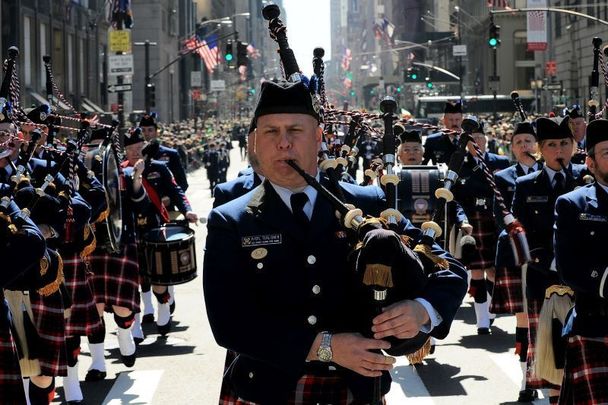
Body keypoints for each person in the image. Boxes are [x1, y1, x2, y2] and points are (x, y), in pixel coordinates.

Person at [203, 79, 468, 404]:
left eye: (295, 131)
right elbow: (229, 323)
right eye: (271, 132)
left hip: (356, 391)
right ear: (256, 143)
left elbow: (448, 269)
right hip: (268, 389)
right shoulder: (231, 220)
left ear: (318, 136)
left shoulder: (368, 203)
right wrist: (324, 347)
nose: (283, 143)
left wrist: (421, 310)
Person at [512, 116, 587, 404]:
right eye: (552, 144)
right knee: (551, 356)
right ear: (540, 149)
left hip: (584, 282)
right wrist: (549, 261)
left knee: (583, 355)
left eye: (564, 143)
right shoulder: (526, 184)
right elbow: (518, 234)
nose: (559, 150)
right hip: (543, 279)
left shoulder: (585, 179)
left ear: (573, 145)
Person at [554, 118, 608, 404]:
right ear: (590, 163)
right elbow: (568, 267)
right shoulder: (573, 204)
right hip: (595, 324)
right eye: (607, 153)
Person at [490, 121, 542, 402]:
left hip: (546, 257)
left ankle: (547, 373)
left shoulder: (551, 174)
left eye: (529, 141)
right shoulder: (503, 177)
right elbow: (499, 216)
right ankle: (526, 381)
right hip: (515, 254)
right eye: (519, 142)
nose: (525, 146)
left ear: (537, 146)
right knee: (525, 322)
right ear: (511, 147)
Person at [451, 118, 510, 335]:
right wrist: (462, 220)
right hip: (472, 222)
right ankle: (482, 320)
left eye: (479, 138)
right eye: (471, 139)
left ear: (486, 140)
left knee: (495, 272)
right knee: (476, 271)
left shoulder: (500, 162)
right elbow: (454, 197)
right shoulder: (460, 165)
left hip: (495, 222)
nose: (476, 142)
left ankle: (492, 308)